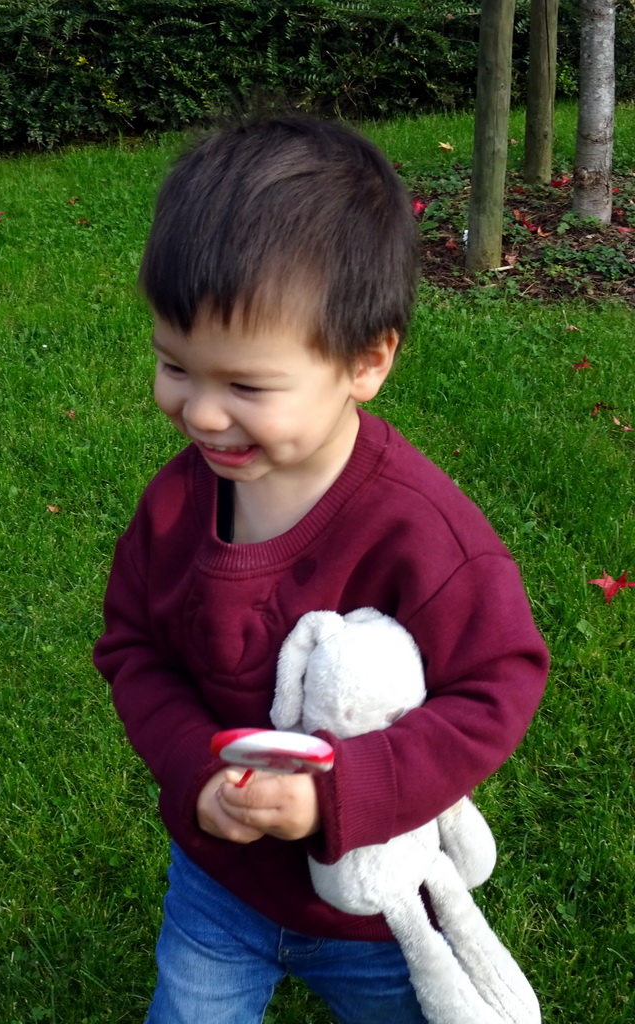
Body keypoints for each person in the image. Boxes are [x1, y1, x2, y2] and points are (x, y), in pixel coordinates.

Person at [93, 115, 549, 1024]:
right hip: (218, 888)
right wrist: (192, 770)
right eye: (175, 366)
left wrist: (343, 794)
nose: (202, 413)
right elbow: (132, 649)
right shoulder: (177, 506)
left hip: (378, 901)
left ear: (366, 361)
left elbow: (500, 682)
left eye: (247, 387)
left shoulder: (420, 532)